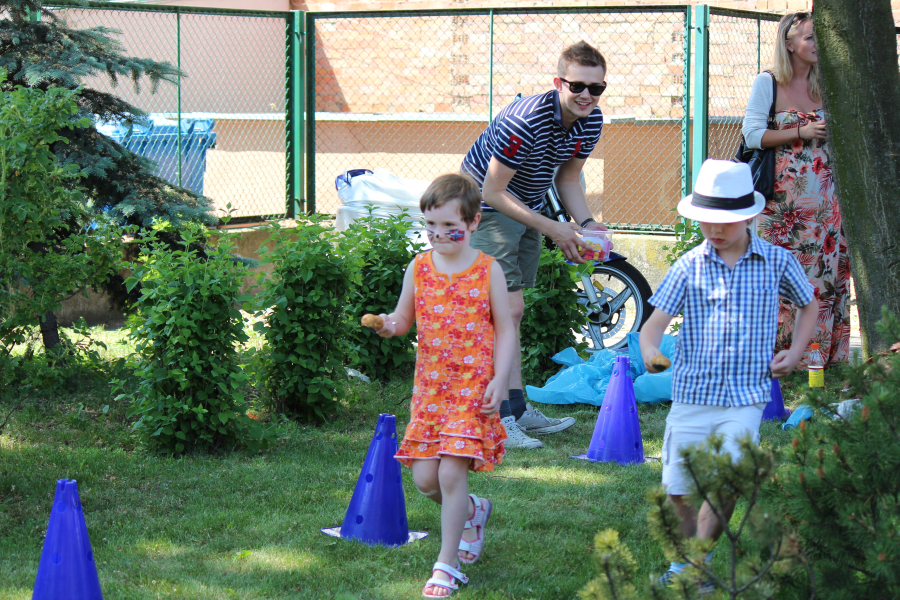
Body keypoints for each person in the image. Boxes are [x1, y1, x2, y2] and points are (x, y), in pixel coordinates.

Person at [639, 159, 817, 593]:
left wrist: (795, 352)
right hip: (692, 396)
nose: (715, 229)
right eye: (706, 220)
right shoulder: (688, 266)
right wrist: (650, 351)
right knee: (678, 489)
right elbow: (652, 326)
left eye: (726, 221)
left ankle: (697, 565)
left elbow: (809, 304)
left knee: (731, 479)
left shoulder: (776, 261)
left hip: (745, 397)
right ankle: (688, 561)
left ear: (750, 216)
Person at [460, 40, 610, 448]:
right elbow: (491, 191)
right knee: (502, 310)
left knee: (514, 311)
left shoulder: (591, 120)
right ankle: (498, 418)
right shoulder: (524, 121)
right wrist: (553, 228)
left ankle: (517, 408)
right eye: (577, 86)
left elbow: (567, 178)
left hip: (527, 204)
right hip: (486, 206)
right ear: (558, 83)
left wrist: (587, 224)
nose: (586, 95)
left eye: (596, 88)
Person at [372, 173, 515, 598]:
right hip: (431, 391)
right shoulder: (418, 267)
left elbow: (505, 330)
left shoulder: (488, 270)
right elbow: (403, 319)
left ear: (473, 222)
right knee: (426, 480)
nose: (437, 234)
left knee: (452, 472)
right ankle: (473, 510)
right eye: (430, 225)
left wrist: (500, 380)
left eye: (449, 226)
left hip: (472, 389)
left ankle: (446, 565)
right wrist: (388, 324)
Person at [741, 11, 851, 368]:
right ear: (789, 44)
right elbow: (752, 135)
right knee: (777, 279)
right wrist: (800, 132)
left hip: (826, 205)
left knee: (822, 279)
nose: (817, 44)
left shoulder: (827, 83)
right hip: (780, 206)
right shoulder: (769, 82)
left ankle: (815, 359)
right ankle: (774, 359)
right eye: (809, 38)